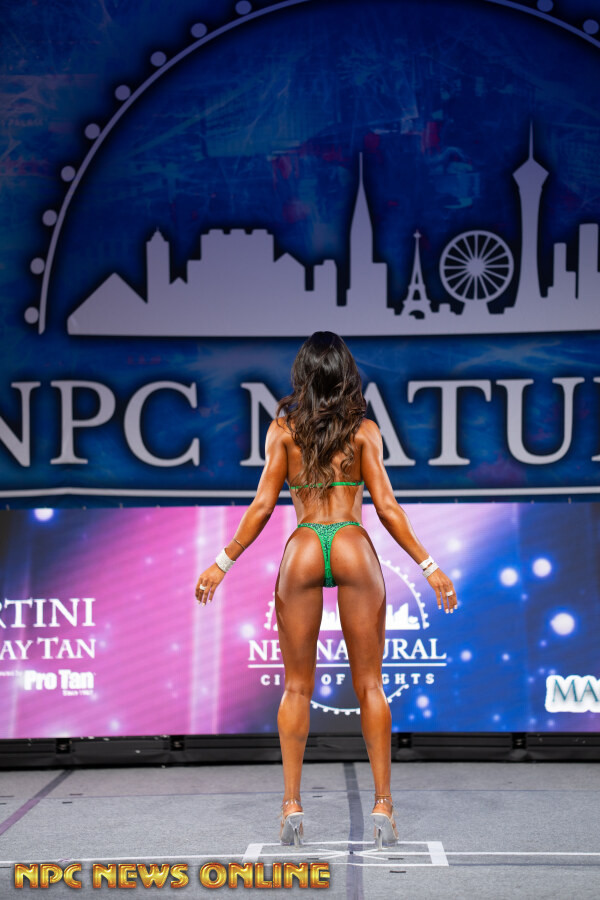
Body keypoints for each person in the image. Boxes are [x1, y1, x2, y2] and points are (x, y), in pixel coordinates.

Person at [195, 331, 457, 850]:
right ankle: (383, 805)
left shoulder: (283, 430)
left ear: (302, 375)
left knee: (296, 687)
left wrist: (222, 562)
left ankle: (292, 804)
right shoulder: (364, 431)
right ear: (346, 375)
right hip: (353, 542)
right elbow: (387, 508)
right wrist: (429, 566)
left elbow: (262, 506)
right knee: (371, 686)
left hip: (305, 544)